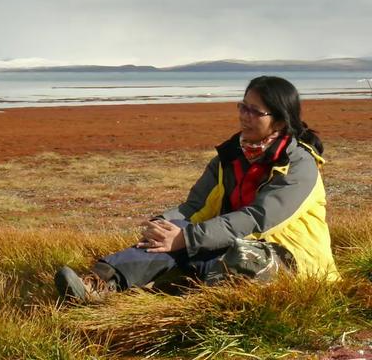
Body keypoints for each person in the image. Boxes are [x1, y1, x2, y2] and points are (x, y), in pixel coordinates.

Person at [55, 76, 339, 302]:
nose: (245, 116)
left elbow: (256, 218)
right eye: (243, 106)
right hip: (231, 240)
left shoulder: (300, 165)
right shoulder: (229, 157)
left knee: (228, 256)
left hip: (290, 260)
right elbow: (194, 207)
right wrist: (164, 224)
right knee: (172, 235)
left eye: (255, 111)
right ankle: (98, 284)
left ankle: (179, 283)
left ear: (278, 120)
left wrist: (187, 238)